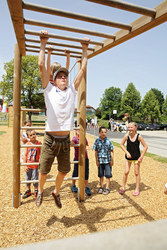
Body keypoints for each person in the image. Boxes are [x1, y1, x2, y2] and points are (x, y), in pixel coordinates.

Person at [36, 29, 90, 208]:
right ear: (54, 80)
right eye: (60, 76)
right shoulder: (49, 90)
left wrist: (84, 48)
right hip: (50, 138)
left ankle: (56, 192)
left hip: (65, 139)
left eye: (65, 76)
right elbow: (41, 65)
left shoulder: (72, 91)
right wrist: (43, 43)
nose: (63, 78)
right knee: (43, 171)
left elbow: (82, 69)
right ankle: (40, 191)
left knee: (64, 170)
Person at [119, 122, 148, 196]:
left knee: (136, 173)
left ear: (135, 127)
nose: (130, 129)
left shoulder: (139, 136)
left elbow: (145, 147)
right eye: (129, 127)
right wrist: (126, 152)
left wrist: (141, 157)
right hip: (128, 157)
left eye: (131, 127)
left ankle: (137, 189)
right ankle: (123, 187)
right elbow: (121, 145)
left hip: (136, 158)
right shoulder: (126, 136)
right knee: (126, 172)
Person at [93, 126, 114, 195]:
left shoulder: (109, 141)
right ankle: (101, 187)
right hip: (100, 161)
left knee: (108, 175)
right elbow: (95, 151)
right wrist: (96, 161)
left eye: (105, 132)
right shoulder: (97, 141)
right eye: (102, 132)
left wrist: (112, 160)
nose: (103, 134)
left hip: (107, 161)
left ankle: (107, 187)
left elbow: (112, 151)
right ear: (99, 133)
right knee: (101, 175)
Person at [71, 127, 91, 196]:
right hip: (77, 158)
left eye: (80, 130)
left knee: (86, 172)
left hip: (85, 158)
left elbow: (87, 143)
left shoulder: (84, 138)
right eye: (78, 130)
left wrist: (89, 146)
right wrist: (71, 143)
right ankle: (73, 185)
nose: (79, 131)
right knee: (76, 171)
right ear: (76, 131)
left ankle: (87, 186)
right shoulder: (75, 138)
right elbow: (72, 143)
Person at [22, 130, 42, 199]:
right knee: (28, 178)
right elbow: (24, 155)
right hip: (28, 165)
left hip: (35, 165)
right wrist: (25, 165)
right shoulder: (27, 144)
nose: (33, 136)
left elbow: (41, 154)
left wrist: (40, 164)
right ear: (28, 137)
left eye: (34, 134)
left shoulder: (39, 143)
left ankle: (36, 190)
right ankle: (28, 190)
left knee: (35, 178)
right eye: (31, 135)